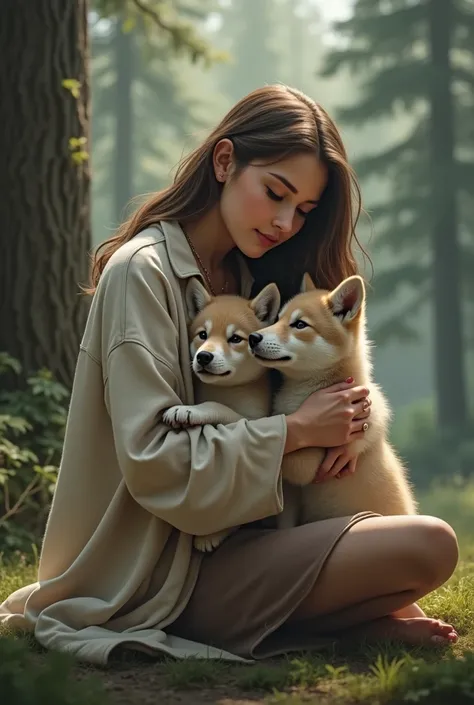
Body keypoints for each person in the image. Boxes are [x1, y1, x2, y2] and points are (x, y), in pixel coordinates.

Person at [0, 85, 459, 666]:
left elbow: (323, 369)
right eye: (275, 193)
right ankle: (351, 623)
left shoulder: (256, 283)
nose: (287, 221)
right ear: (224, 162)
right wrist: (297, 434)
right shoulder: (141, 274)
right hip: (159, 579)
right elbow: (154, 461)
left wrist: (352, 419)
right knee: (428, 544)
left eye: (305, 211)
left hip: (253, 547)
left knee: (421, 547)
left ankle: (353, 622)